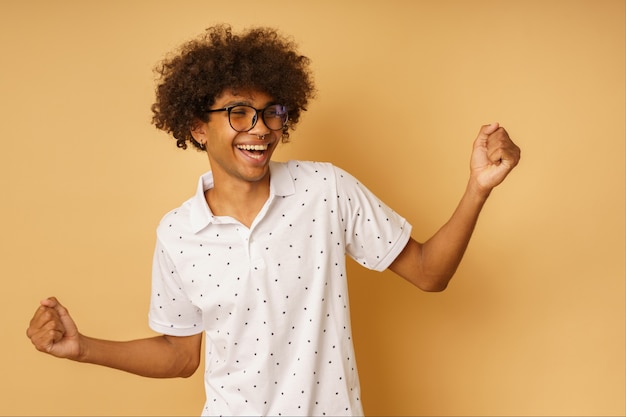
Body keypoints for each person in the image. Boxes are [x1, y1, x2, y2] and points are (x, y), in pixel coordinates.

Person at [26, 24, 521, 416]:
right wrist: (83, 347)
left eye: (271, 113)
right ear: (198, 127)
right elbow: (180, 357)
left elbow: (429, 273)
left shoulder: (325, 189)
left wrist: (478, 188)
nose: (260, 129)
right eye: (238, 113)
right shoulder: (178, 233)